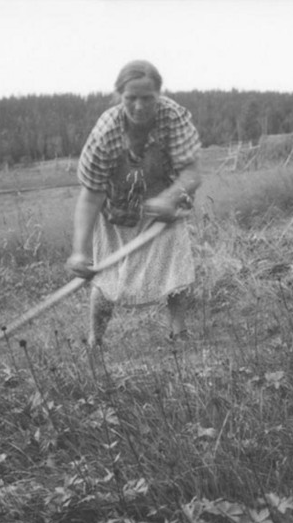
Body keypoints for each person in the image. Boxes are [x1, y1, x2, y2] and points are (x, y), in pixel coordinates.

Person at [66, 60, 202, 348]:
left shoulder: (172, 117)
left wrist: (169, 198)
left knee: (175, 267)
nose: (139, 106)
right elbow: (90, 195)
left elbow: (191, 172)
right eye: (131, 99)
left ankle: (179, 334)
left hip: (162, 207)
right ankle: (96, 341)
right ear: (119, 96)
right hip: (117, 207)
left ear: (159, 94)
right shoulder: (107, 132)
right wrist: (79, 252)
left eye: (147, 98)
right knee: (107, 278)